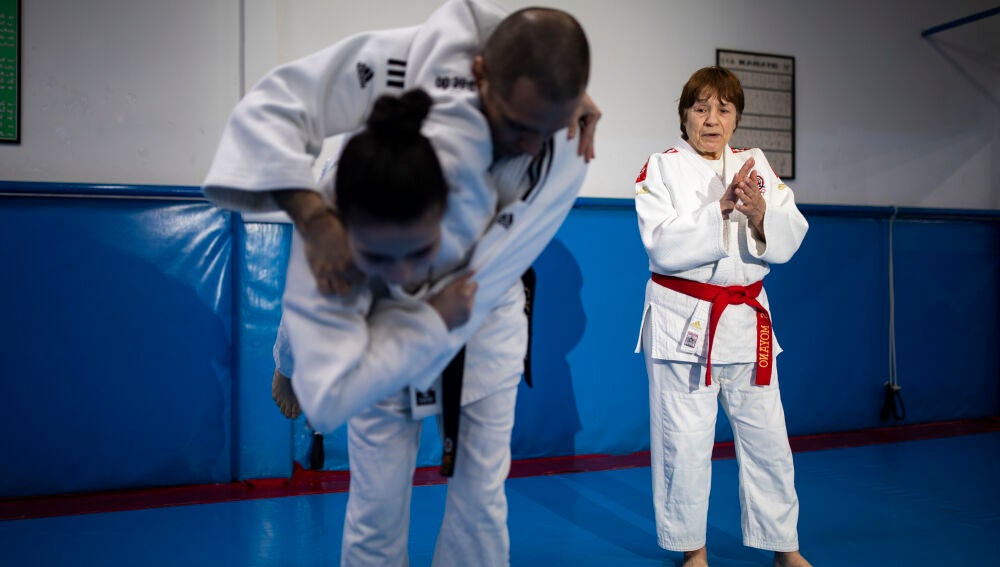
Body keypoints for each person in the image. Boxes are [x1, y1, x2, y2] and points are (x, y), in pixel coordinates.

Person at [202, 1, 595, 564]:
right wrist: (292, 358)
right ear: (480, 71)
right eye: (517, 124)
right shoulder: (382, 115)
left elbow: (495, 267)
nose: (533, 145)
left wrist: (559, 111)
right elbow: (272, 114)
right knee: (377, 504)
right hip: (376, 308)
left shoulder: (567, 143)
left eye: (547, 128)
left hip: (483, 309)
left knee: (482, 503)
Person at [633, 66, 811, 567]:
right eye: (700, 108)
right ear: (685, 115)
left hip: (747, 321)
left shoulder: (756, 163)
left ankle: (785, 547)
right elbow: (661, 243)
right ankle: (692, 552)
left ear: (736, 118)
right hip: (684, 322)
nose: (711, 119)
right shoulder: (661, 167)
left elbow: (792, 231)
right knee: (685, 444)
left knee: (769, 440)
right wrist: (719, 211)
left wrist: (758, 216)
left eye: (723, 109)